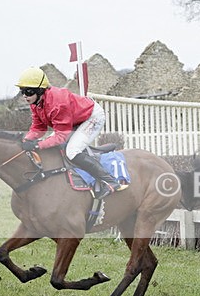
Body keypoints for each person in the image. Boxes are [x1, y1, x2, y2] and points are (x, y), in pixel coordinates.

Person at [16, 67, 127, 199]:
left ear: (40, 90)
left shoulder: (57, 103)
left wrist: (37, 145)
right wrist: (27, 140)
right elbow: (39, 127)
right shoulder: (35, 102)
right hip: (74, 119)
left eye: (28, 91)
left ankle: (110, 181)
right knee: (52, 146)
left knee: (72, 151)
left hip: (92, 117)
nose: (24, 95)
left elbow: (61, 137)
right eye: (22, 91)